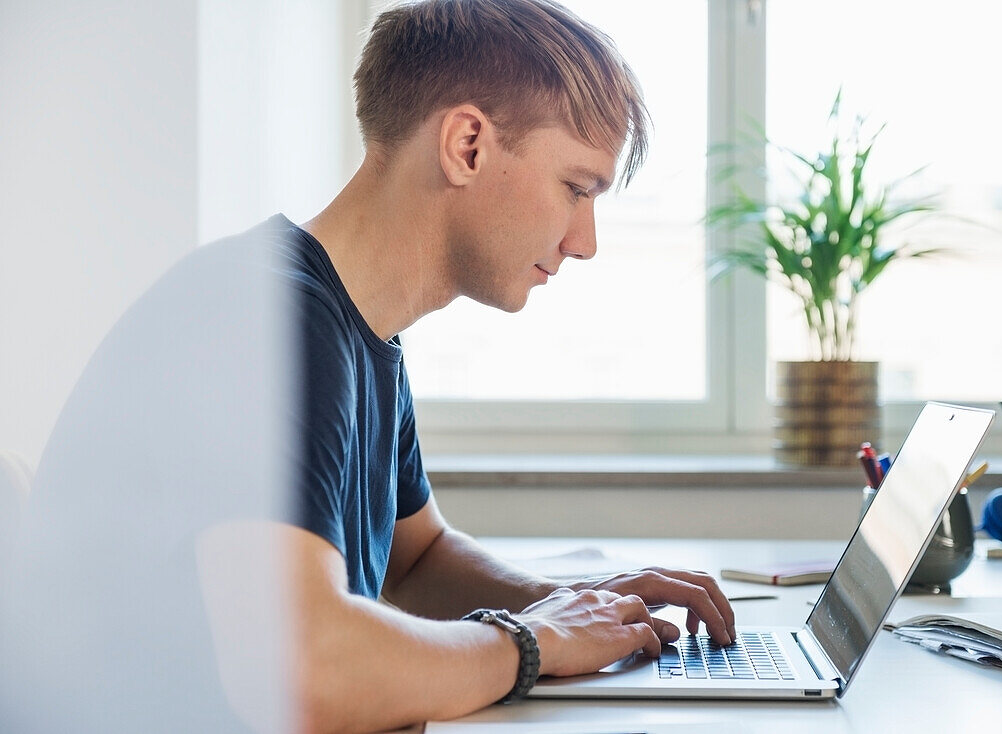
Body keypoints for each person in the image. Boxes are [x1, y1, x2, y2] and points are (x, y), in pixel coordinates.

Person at [5, 1, 736, 732]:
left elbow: (416, 559)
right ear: (468, 144)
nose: (586, 242)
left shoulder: (356, 329)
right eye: (577, 189)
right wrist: (535, 640)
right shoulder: (260, 316)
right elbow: (301, 671)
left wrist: (578, 604)